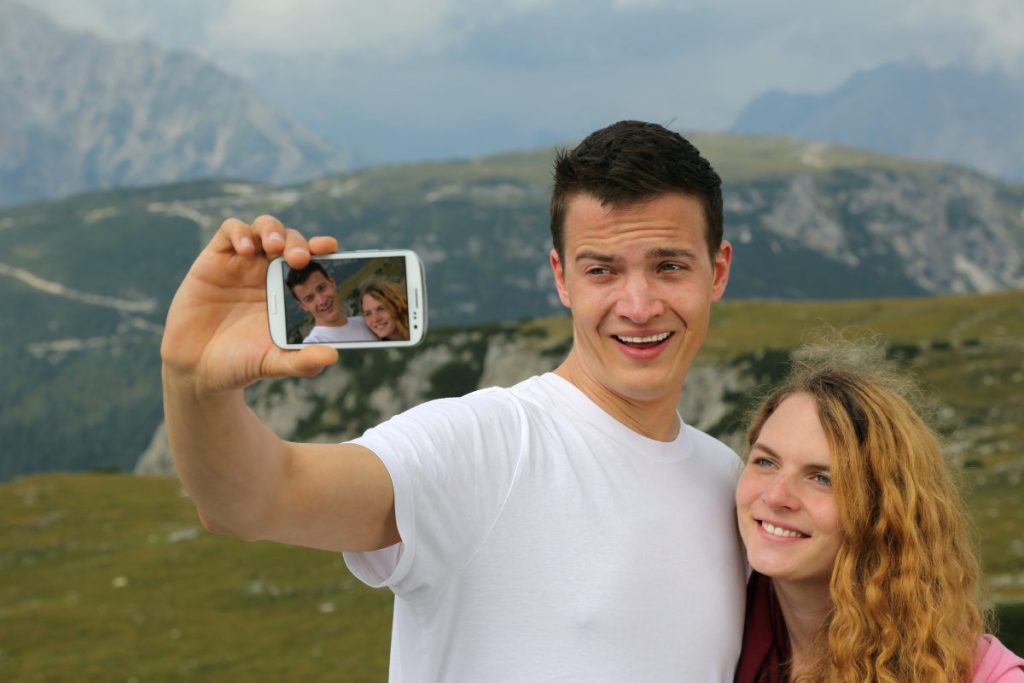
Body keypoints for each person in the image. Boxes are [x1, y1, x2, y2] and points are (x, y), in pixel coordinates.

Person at [160, 120, 743, 681]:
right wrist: (193, 383)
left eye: (669, 266)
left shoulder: (733, 483)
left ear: (716, 272)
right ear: (562, 279)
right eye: (603, 271)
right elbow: (255, 499)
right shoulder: (486, 445)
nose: (638, 306)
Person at [733, 346, 1024, 682]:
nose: (775, 496)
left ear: (884, 511)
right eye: (766, 462)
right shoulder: (716, 621)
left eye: (822, 479)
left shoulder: (977, 675)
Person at [287, 261, 378, 343]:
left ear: (332, 282)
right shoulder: (314, 343)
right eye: (309, 298)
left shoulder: (364, 322)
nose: (322, 301)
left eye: (322, 288)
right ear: (303, 306)